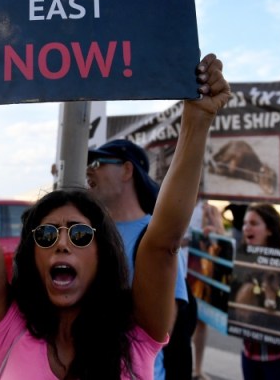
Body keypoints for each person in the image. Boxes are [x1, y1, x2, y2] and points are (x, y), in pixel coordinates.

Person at [0, 32, 230, 379]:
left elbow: (164, 242)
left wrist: (197, 121)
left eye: (81, 234)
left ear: (103, 253)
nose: (62, 243)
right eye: (47, 235)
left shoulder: (136, 333)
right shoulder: (7, 327)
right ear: (32, 256)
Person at [85, 137, 191, 380]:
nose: (89, 169)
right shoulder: (85, 234)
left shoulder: (155, 240)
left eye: (99, 162)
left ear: (127, 170)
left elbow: (163, 327)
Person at [238, 203, 280, 379]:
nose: (247, 228)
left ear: (269, 230)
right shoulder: (243, 261)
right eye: (245, 223)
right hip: (250, 355)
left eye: (254, 223)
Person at [187, 198, 225, 380]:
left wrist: (213, 231)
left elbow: (221, 236)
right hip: (179, 269)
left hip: (199, 271)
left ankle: (198, 368)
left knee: (201, 322)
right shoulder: (170, 199)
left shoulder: (209, 209)